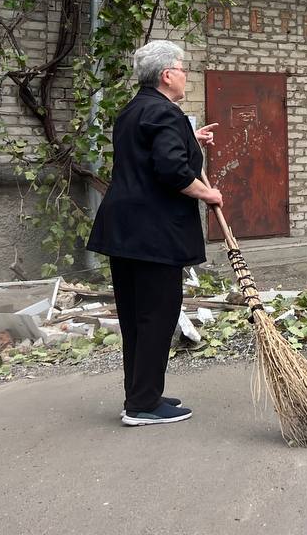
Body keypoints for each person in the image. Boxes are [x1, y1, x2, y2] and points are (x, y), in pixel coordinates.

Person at [87, 40, 222, 426]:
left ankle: (141, 395)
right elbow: (173, 172)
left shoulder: (134, 111)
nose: (185, 76)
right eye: (182, 69)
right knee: (157, 317)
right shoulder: (167, 112)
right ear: (167, 75)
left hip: (124, 231)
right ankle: (143, 406)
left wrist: (190, 140)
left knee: (135, 316)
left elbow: (146, 155)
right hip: (153, 234)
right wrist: (207, 192)